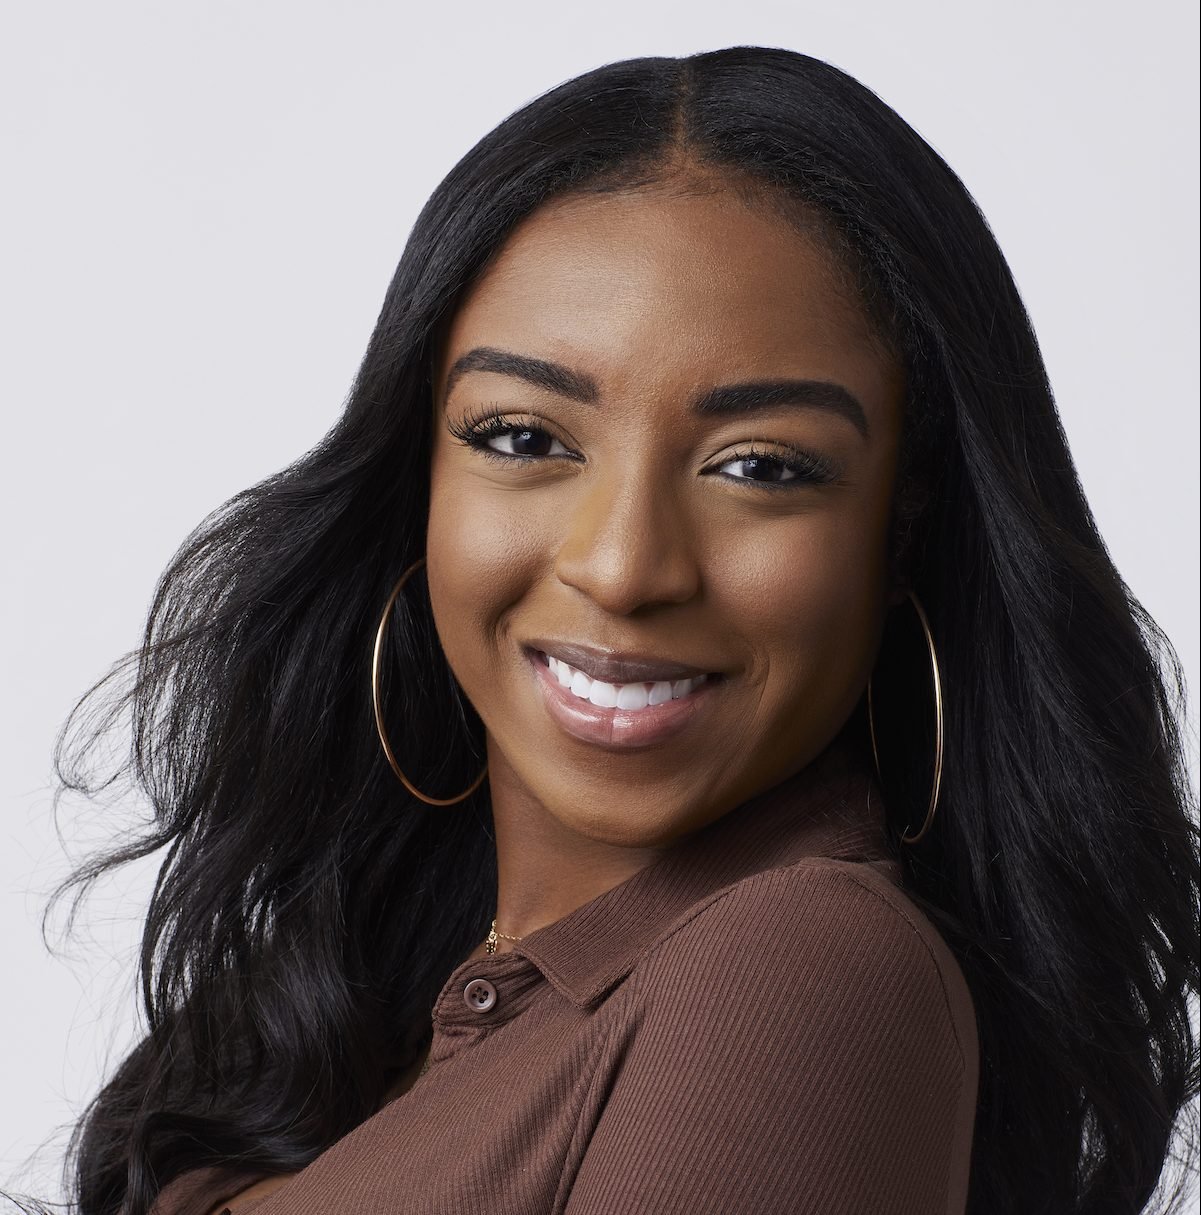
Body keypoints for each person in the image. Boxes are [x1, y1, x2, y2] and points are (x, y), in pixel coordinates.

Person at [30, 46, 1199, 1215]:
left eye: (760, 466)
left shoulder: (799, 971)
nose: (623, 565)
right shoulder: (356, 982)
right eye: (526, 439)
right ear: (415, 479)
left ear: (901, 531)